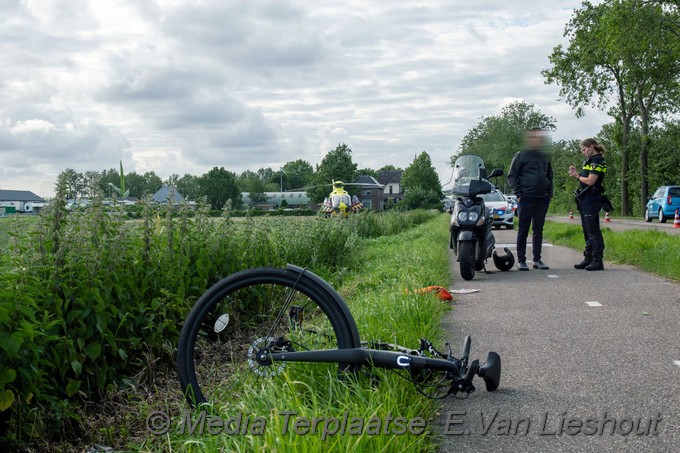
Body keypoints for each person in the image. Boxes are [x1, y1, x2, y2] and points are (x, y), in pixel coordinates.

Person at [507, 128, 554, 271]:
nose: (538, 140)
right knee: (523, 230)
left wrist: (549, 193)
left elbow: (550, 177)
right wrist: (518, 194)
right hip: (526, 197)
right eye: (535, 137)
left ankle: (537, 260)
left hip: (542, 198)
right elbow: (511, 176)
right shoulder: (521, 155)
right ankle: (521, 261)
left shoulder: (545, 157)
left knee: (538, 230)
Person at [568, 138, 607, 271]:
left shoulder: (597, 160)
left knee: (593, 230)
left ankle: (597, 260)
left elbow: (591, 181)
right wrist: (576, 173)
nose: (583, 152)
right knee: (587, 230)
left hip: (593, 198)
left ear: (591, 147)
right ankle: (588, 257)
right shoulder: (590, 161)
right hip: (585, 198)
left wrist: (577, 176)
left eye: (584, 150)